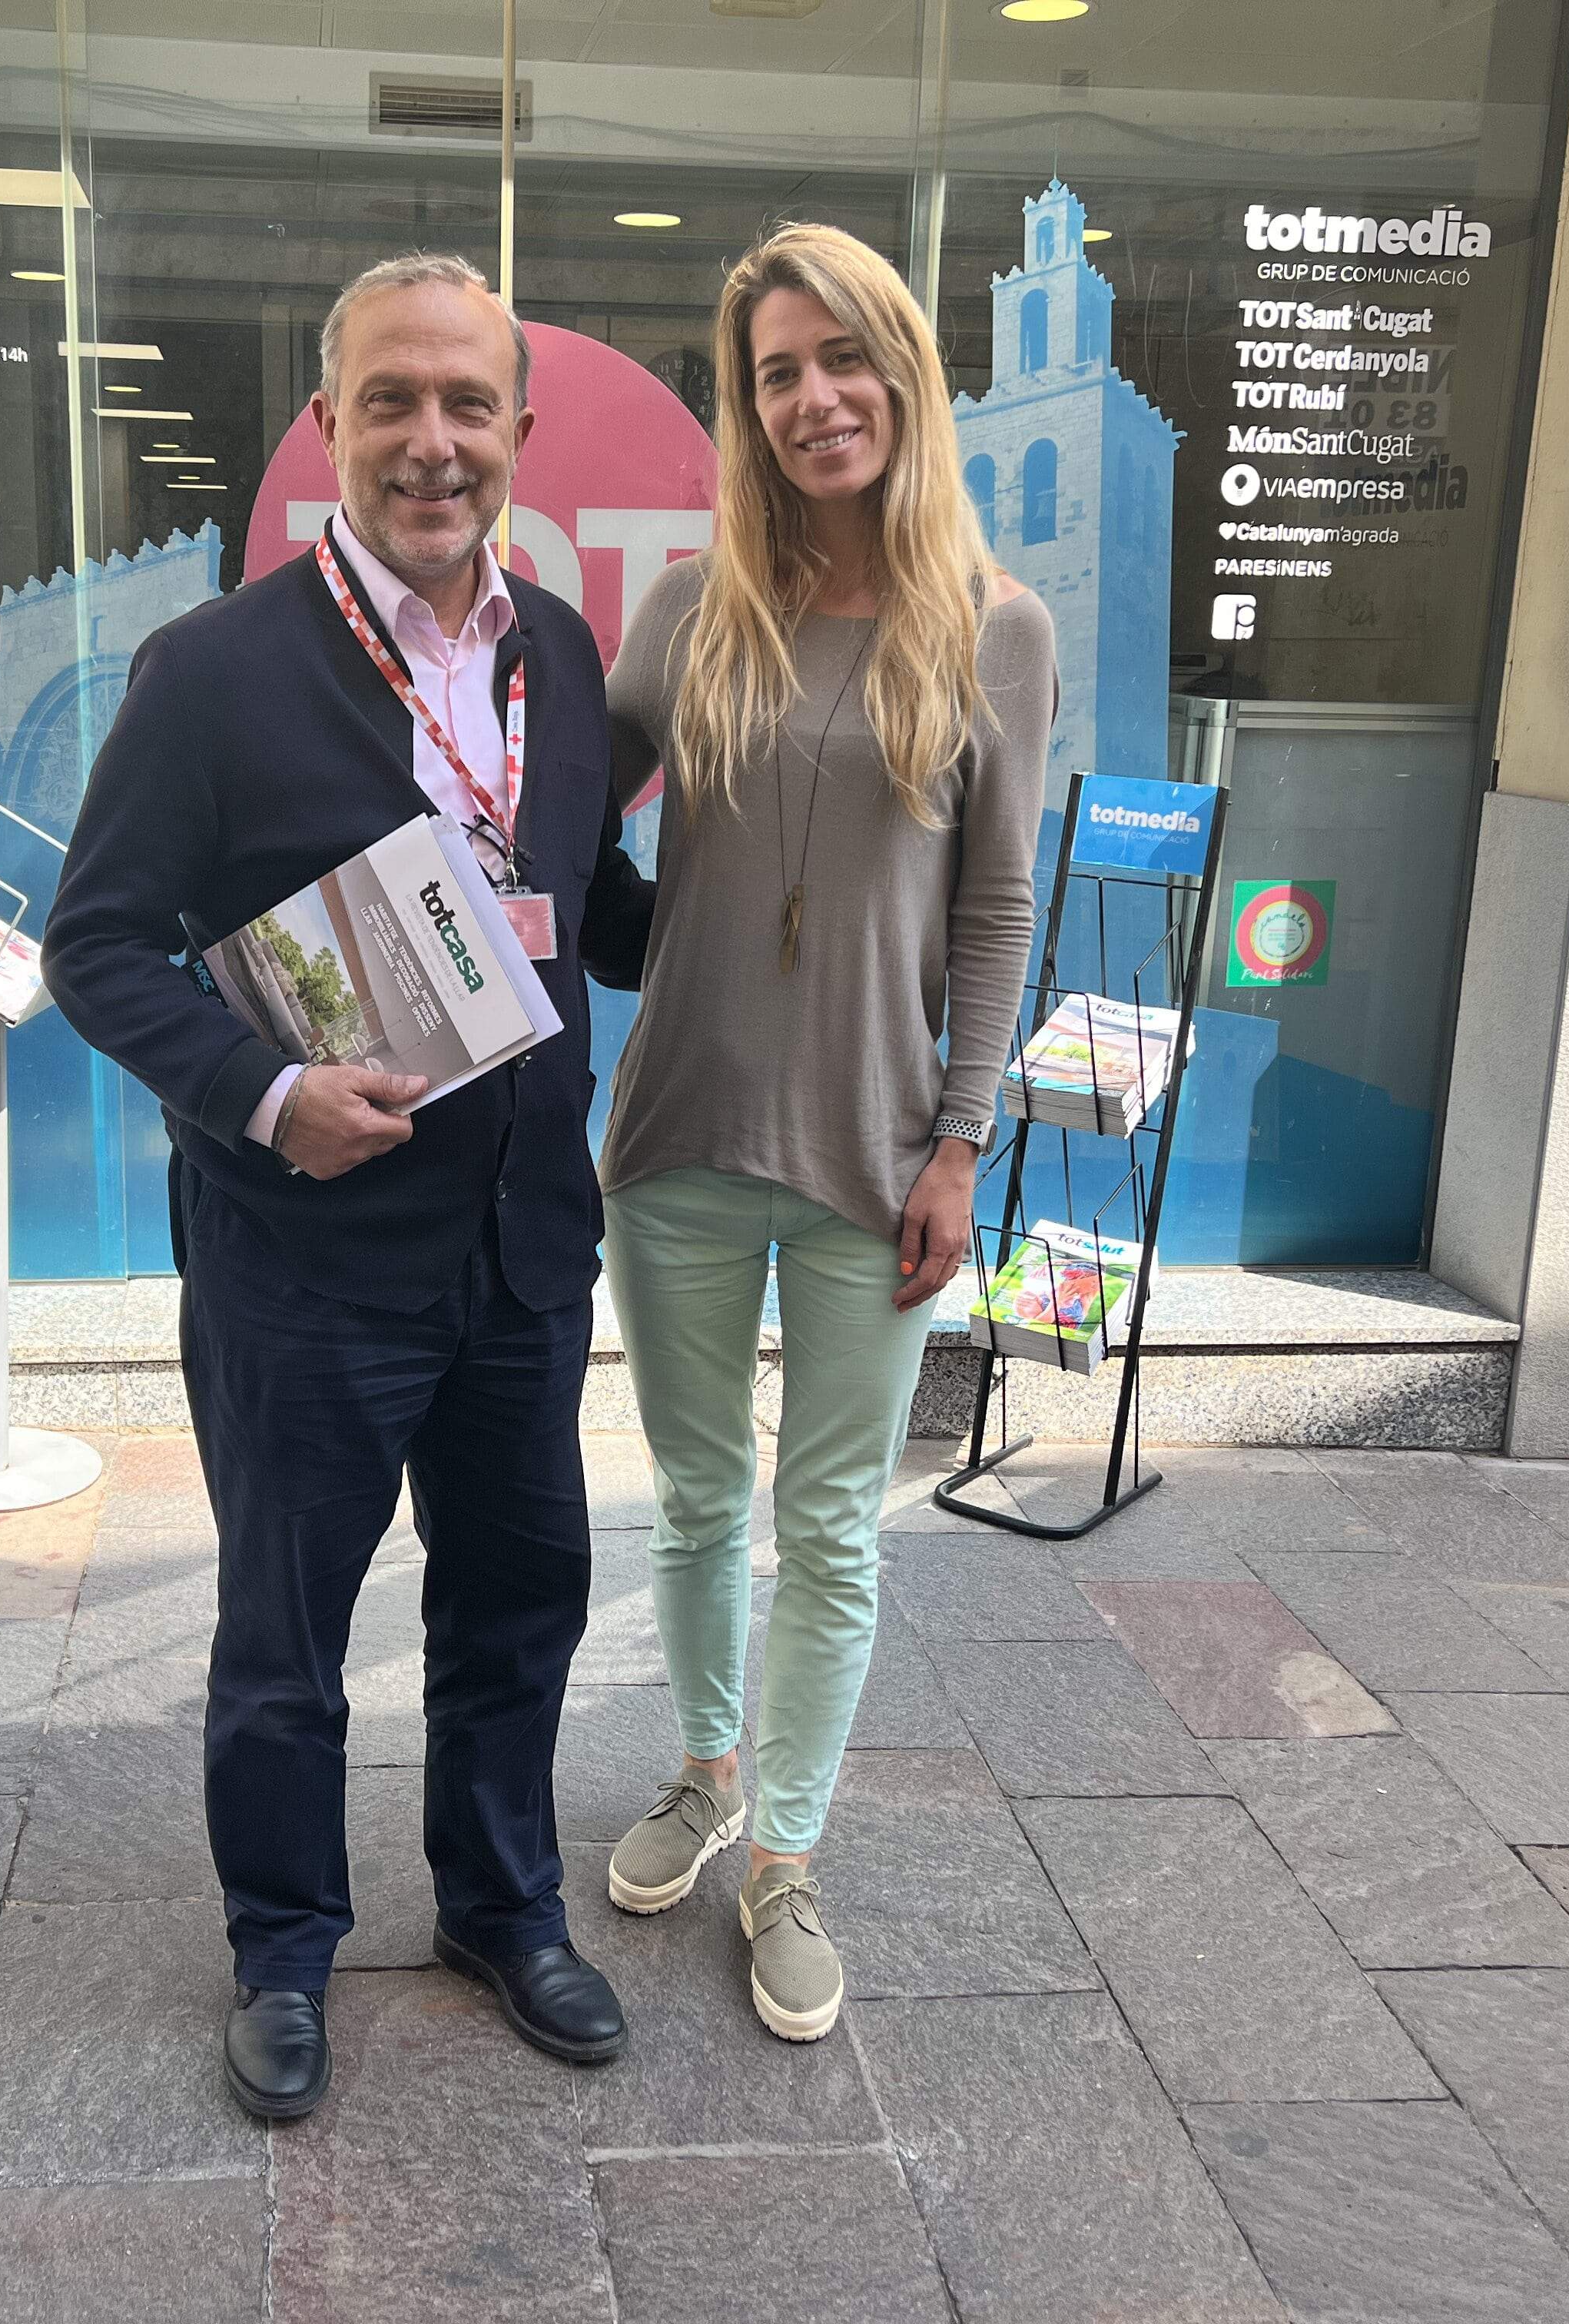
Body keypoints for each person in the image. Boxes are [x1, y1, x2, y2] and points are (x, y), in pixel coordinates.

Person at [44, 252, 653, 2118]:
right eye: (391, 400)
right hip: (303, 1258)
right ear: (327, 426)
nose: (432, 441)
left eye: (469, 405)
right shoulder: (217, 671)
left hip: (522, 1250)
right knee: (286, 1628)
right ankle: (284, 1944)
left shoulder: (561, 655)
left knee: (516, 1602)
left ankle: (499, 1903)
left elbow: (583, 923)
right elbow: (98, 945)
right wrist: (266, 1089)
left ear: (521, 436)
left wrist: (782, 870)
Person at [596, 224, 1054, 2041]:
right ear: (749, 402)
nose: (813, 400)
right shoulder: (687, 614)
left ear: (904, 377)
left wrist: (964, 1141)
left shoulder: (990, 629)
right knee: (703, 1502)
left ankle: (788, 1855)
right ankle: (706, 1775)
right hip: (681, 1141)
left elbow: (996, 910)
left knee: (834, 1526)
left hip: (882, 1163)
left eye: (842, 359)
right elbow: (548, 814)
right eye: (777, 371)